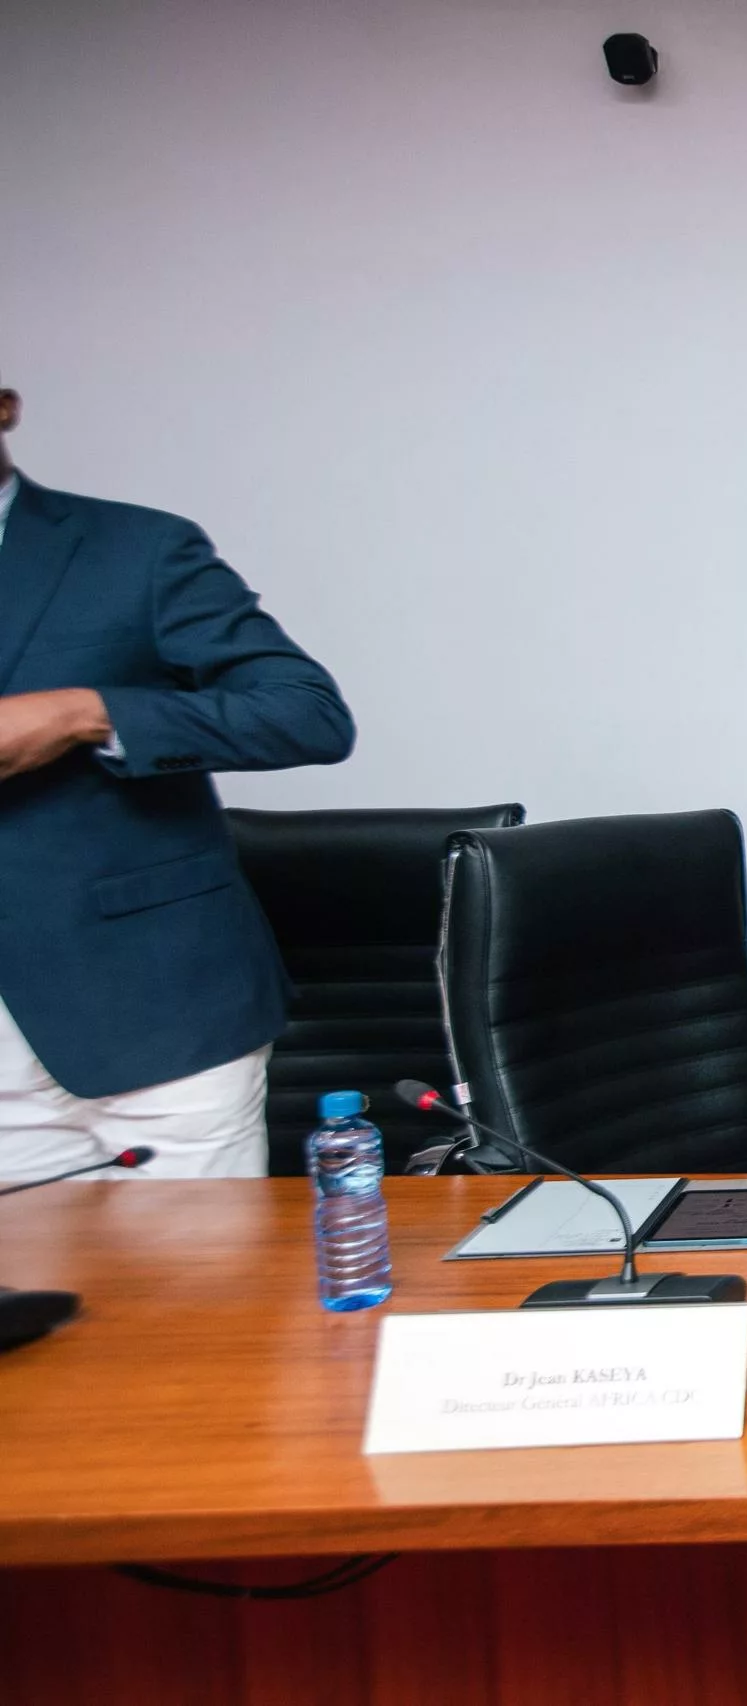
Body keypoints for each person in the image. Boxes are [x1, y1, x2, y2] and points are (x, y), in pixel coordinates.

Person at [0, 376, 355, 1180]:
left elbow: (306, 714)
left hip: (153, 1021)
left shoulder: (138, 550)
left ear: (5, 404)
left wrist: (88, 713)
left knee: (195, 1300)